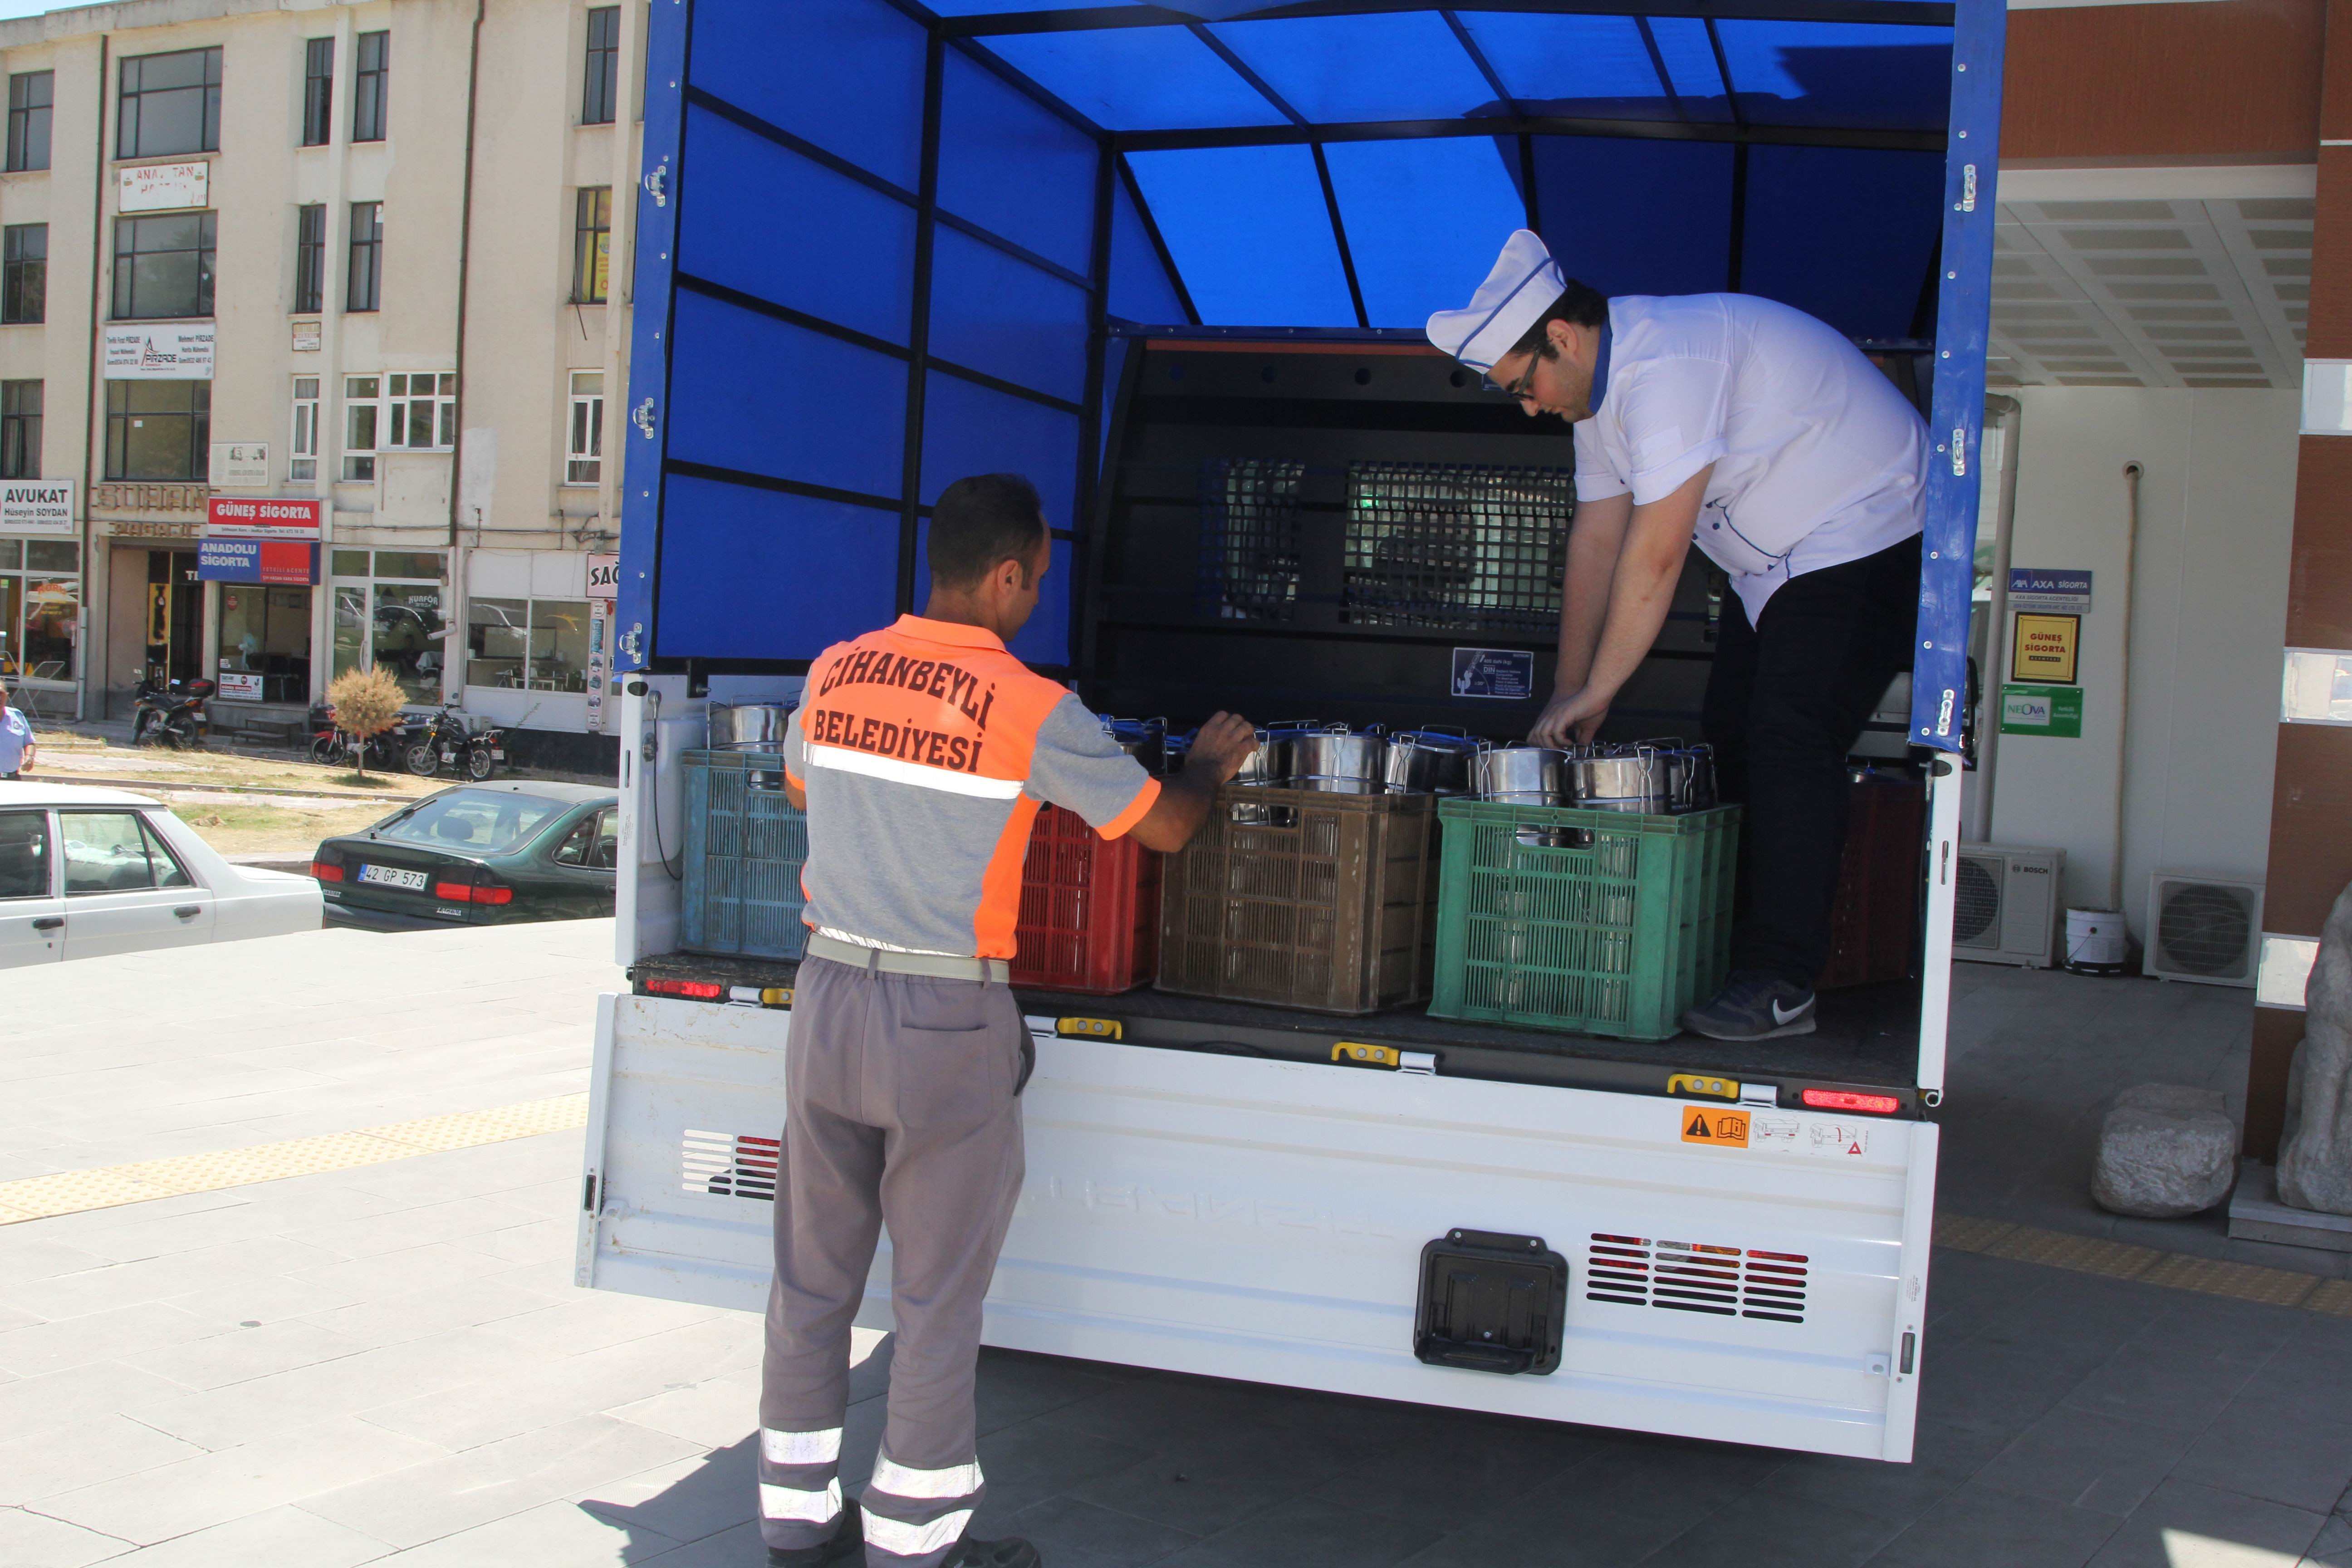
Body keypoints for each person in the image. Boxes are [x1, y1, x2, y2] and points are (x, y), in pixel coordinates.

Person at [760, 472, 1256, 1568]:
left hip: (826, 994)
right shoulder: (1028, 703)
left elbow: (803, 788)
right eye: (1034, 577)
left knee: (810, 1277)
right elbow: (1163, 828)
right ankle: (914, 1543)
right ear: (1004, 573)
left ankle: (794, 1524)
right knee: (934, 1297)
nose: (1034, 597)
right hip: (943, 1014)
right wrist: (1207, 767)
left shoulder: (835, 669)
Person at [1427, 230, 1927, 1043]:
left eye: (1523, 383)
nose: (1526, 406)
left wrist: (1604, 689)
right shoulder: (1595, 393)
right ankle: (1730, 949)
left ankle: (1780, 980)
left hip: (1866, 528)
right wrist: (1567, 686)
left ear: (1560, 336)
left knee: (1789, 737)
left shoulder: (1666, 366)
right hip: (1775, 563)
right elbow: (1594, 540)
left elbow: (1653, 554)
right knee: (1729, 733)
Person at [0, 682, 34, 779]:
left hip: (12, 778)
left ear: (7, 696)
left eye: (1, 694)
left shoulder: (17, 716)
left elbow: (29, 742)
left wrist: (29, 757)